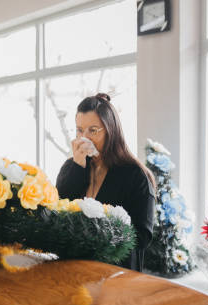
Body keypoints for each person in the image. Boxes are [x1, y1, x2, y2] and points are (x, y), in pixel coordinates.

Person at [56, 93, 155, 272]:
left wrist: (101, 236)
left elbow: (143, 236)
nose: (84, 138)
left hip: (116, 275)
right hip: (73, 271)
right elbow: (58, 212)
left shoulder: (136, 176)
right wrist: (77, 166)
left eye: (93, 130)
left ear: (111, 131)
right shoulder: (71, 167)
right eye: (79, 130)